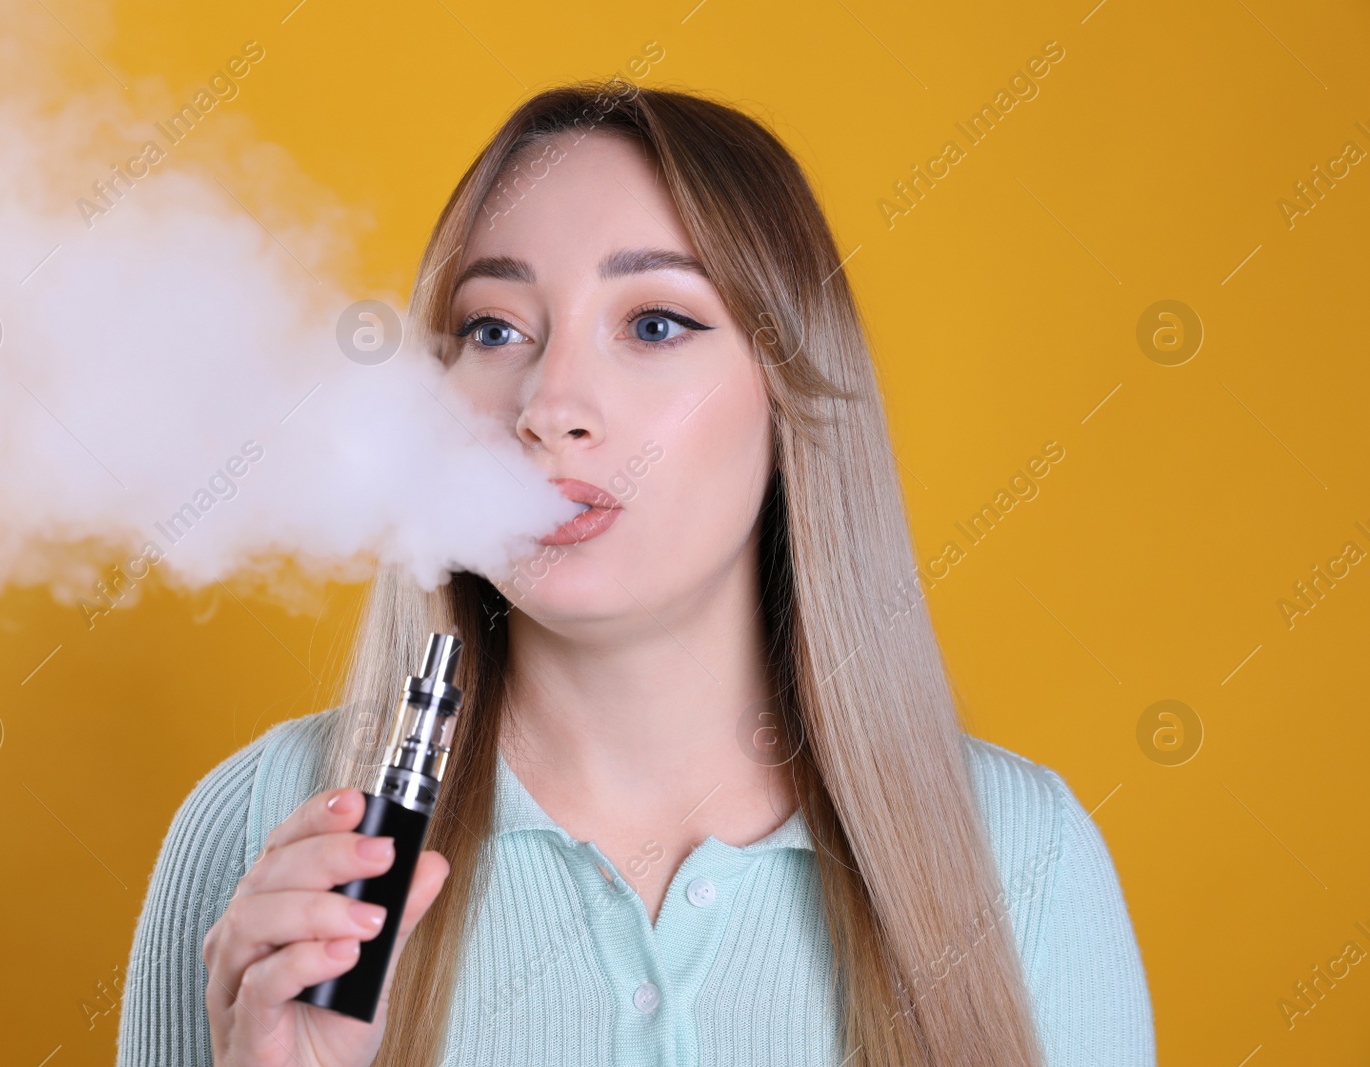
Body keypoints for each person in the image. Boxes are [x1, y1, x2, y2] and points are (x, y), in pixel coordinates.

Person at [117, 79, 1154, 1067]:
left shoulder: (1023, 858)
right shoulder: (268, 832)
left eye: (656, 324)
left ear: (786, 397)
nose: (549, 401)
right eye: (493, 328)